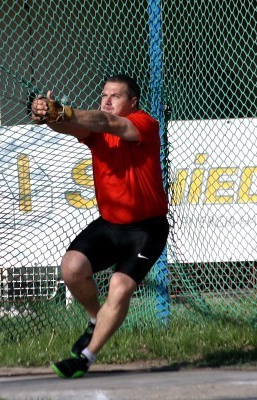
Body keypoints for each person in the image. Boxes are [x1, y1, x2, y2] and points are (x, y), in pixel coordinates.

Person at [31, 74, 169, 379]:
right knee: (72, 268)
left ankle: (86, 357)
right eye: (104, 95)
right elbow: (69, 125)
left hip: (147, 231)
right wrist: (46, 114)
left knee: (119, 287)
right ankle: (97, 318)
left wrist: (62, 111)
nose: (107, 101)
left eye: (115, 96)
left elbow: (107, 122)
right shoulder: (96, 130)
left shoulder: (144, 123)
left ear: (133, 103)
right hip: (110, 225)